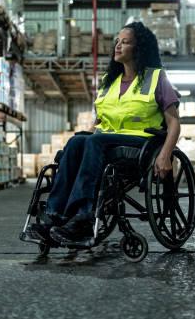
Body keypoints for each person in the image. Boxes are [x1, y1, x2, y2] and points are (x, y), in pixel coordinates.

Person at [25, 21, 181, 245]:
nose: (117, 45)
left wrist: (165, 154)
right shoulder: (109, 83)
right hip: (108, 141)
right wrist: (81, 140)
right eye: (117, 41)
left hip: (141, 145)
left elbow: (174, 122)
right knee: (78, 142)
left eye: (125, 42)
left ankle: (83, 217)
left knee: (95, 142)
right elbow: (99, 122)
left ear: (139, 49)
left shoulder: (156, 78)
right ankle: (53, 217)